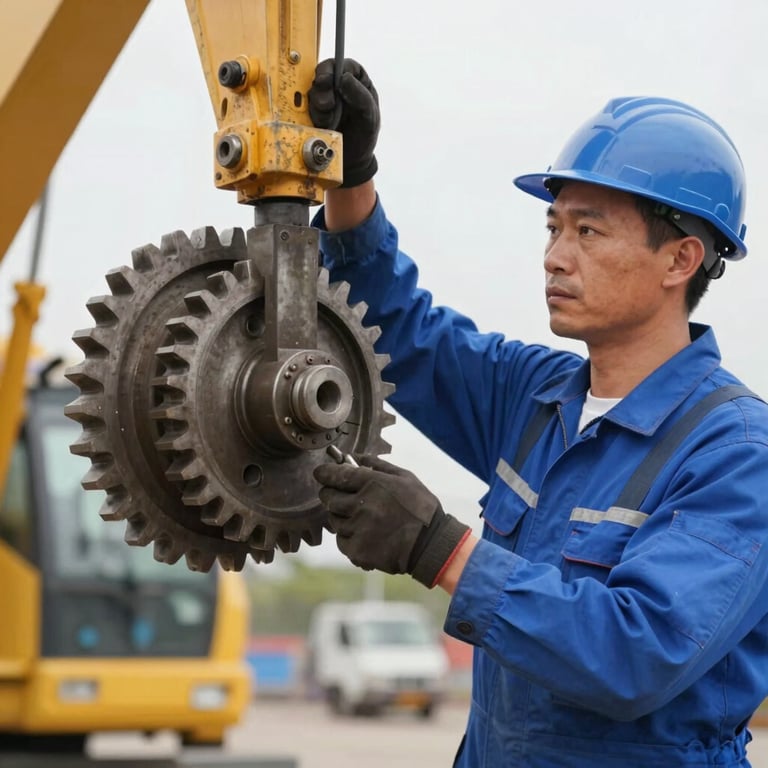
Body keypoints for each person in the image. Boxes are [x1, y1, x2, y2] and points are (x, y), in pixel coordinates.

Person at [307, 59, 768, 767]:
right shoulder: (535, 396)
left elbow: (634, 654)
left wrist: (439, 547)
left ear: (681, 259)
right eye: (553, 228)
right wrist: (352, 172)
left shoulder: (736, 454)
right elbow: (392, 326)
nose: (554, 257)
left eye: (588, 233)